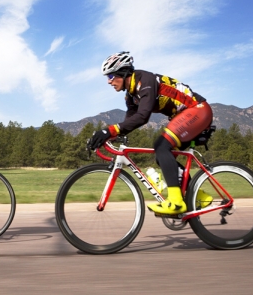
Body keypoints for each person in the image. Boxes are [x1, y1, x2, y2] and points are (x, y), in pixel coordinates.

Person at [88, 52, 213, 215]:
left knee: (161, 146)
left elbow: (143, 116)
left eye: (111, 76)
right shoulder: (130, 96)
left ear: (124, 72)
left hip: (197, 110)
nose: (108, 81)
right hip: (184, 115)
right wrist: (104, 136)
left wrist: (109, 130)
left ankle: (176, 202)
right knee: (163, 158)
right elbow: (128, 123)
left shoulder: (144, 80)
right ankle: (198, 197)